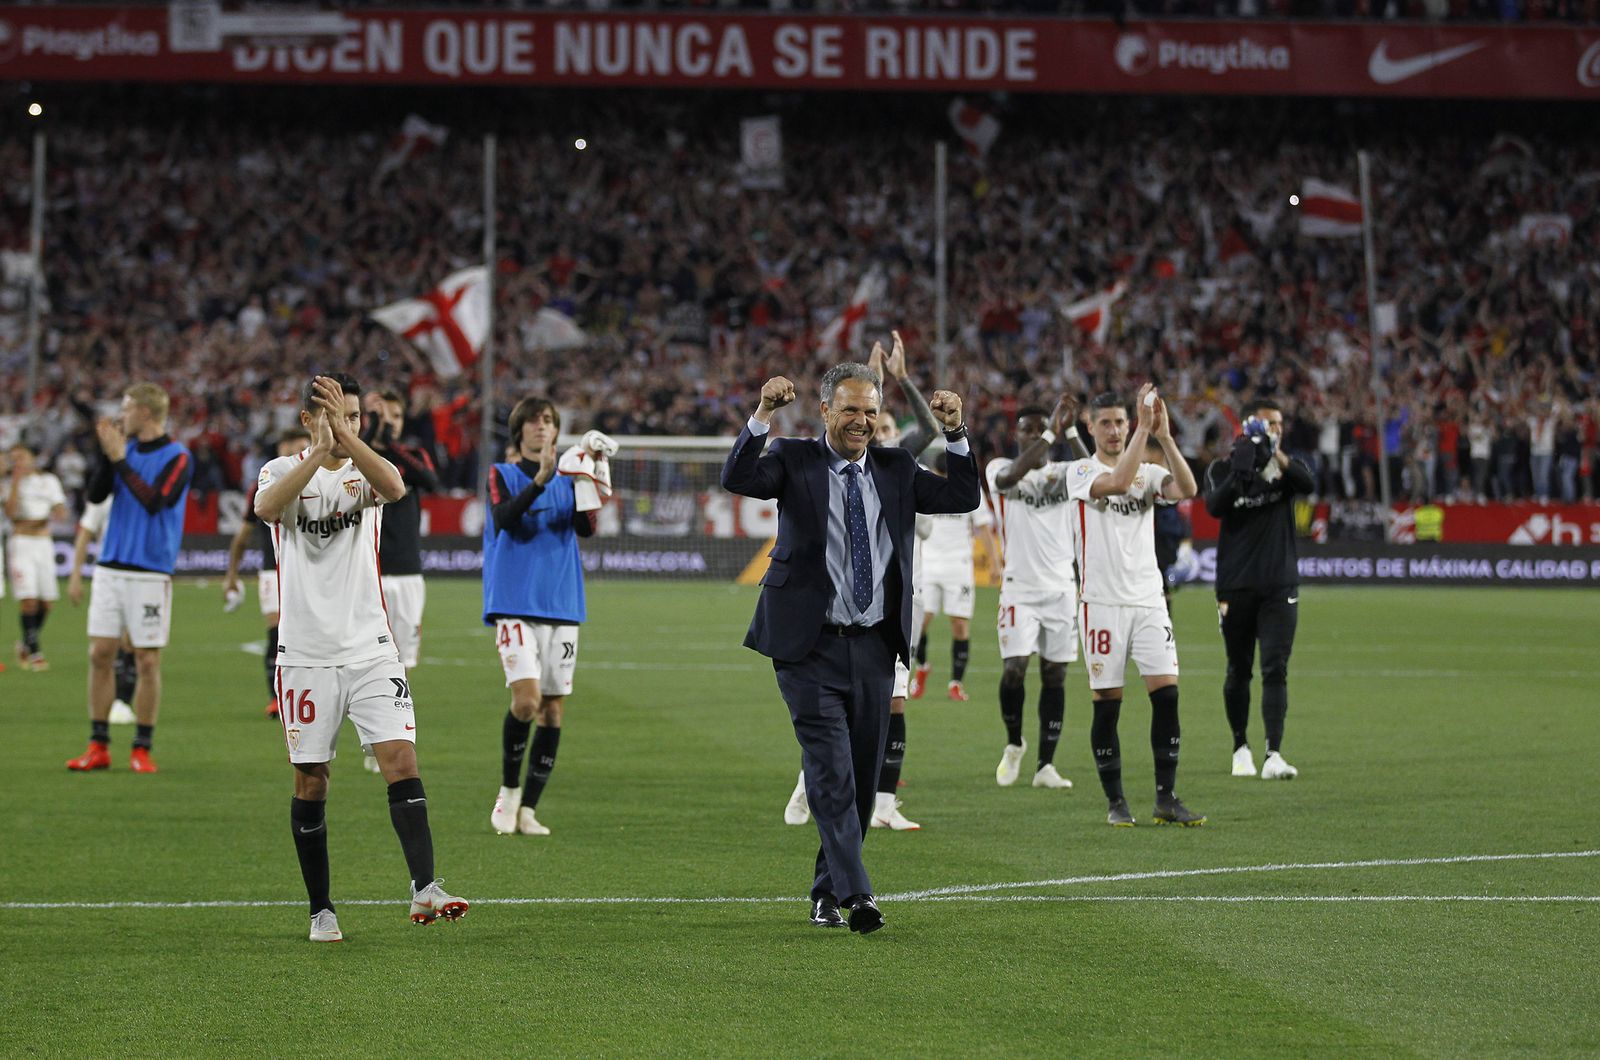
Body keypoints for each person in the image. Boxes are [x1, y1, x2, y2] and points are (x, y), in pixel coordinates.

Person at [722, 362, 978, 934]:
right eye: (850, 410)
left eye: (870, 411)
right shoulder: (793, 458)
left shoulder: (896, 466)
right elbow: (737, 478)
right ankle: (858, 894)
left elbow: (963, 496)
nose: (861, 422)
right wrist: (762, 413)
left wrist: (955, 432)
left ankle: (823, 895)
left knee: (860, 779)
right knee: (832, 770)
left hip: (874, 647)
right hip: (807, 646)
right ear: (826, 411)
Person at [255, 372, 467, 943]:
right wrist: (320, 452)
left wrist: (345, 444)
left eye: (353, 415)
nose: (346, 424)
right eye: (332, 414)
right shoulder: (281, 471)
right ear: (307, 419)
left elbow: (396, 489)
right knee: (312, 781)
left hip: (371, 647)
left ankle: (425, 888)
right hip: (305, 654)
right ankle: (321, 909)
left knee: (401, 757)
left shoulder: (366, 471)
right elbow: (268, 509)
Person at [783, 333, 938, 833]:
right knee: (840, 729)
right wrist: (868, 379)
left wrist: (901, 379)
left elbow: (930, 428)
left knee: (892, 705)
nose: (876, 428)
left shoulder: (896, 464)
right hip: (832, 612)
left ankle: (884, 801)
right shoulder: (831, 462)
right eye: (870, 418)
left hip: (885, 612)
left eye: (882, 420)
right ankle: (814, 783)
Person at [1066, 387, 1205, 827]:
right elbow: (1118, 483)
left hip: (1148, 600)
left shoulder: (1147, 469)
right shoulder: (1079, 471)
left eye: (1121, 422)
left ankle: (1166, 797)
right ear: (1090, 426)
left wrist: (1164, 437)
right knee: (1107, 702)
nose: (1114, 430)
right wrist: (1145, 430)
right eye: (1105, 423)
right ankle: (1115, 801)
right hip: (1101, 603)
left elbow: (1187, 488)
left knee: (1167, 695)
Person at [484, 397, 606, 838]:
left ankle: (530, 809)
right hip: (515, 602)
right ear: (519, 431)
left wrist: (591, 480)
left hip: (563, 603)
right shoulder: (502, 474)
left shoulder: (571, 478)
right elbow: (504, 518)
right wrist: (538, 481)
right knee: (527, 701)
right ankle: (508, 793)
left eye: (549, 420)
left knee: (553, 712)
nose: (542, 427)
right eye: (534, 421)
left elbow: (587, 527)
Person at [67, 384, 193, 774]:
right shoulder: (126, 448)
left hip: (151, 571)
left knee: (147, 662)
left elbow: (157, 501)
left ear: (146, 412)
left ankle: (142, 746)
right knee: (99, 654)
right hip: (110, 565)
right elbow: (96, 496)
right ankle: (98, 744)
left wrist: (121, 460)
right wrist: (109, 458)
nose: (120, 416)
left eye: (125, 408)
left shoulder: (179, 456)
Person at [1202, 398, 1315, 781]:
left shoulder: (1284, 470)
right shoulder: (1222, 468)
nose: (1276, 428)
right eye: (1269, 423)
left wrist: (1275, 456)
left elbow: (1308, 483)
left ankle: (1273, 754)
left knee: (1275, 668)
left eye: (1279, 423)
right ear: (1249, 424)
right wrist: (1241, 470)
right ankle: (1240, 748)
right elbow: (1214, 507)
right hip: (1235, 587)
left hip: (1279, 584)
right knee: (1238, 669)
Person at [985, 398, 1089, 792]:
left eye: (1040, 428)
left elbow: (1094, 470)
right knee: (1014, 669)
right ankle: (1014, 744)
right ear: (1018, 435)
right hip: (1019, 590)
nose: (1033, 435)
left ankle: (1046, 764)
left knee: (1055, 674)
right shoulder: (1001, 470)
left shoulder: (1066, 474)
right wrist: (1050, 433)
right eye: (1027, 430)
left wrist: (1073, 430)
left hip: (1062, 588)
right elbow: (1012, 476)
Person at [361, 389, 440, 773]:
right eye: (381, 413)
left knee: (402, 661)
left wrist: (390, 442)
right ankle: (369, 733)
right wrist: (370, 435)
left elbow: (430, 479)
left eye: (395, 413)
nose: (389, 419)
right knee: (362, 656)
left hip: (407, 572)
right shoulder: (358, 455)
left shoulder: (412, 455)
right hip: (366, 572)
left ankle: (391, 736)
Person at [224, 427, 312, 719]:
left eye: (303, 448)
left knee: (309, 634)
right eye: (293, 447)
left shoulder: (318, 480)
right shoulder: (262, 485)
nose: (297, 454)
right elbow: (243, 535)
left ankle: (311, 693)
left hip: (308, 569)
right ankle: (276, 698)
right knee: (277, 633)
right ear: (280, 448)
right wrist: (232, 574)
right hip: (272, 570)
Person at [909, 449, 1001, 704]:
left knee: (960, 626)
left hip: (959, 566)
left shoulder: (968, 488)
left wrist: (994, 563)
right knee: (921, 622)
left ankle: (956, 683)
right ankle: (923, 667)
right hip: (928, 564)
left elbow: (983, 527)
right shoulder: (927, 485)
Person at [68, 497, 139, 724]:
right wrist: (76, 575)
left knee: (133, 642)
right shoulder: (104, 496)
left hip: (144, 572)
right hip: (108, 573)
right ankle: (107, 714)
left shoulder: (146, 491)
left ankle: (123, 701)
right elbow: (86, 533)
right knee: (105, 646)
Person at [4, 443, 69, 671]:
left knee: (47, 602)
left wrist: (56, 510)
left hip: (43, 543)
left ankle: (24, 642)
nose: (18, 463)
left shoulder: (48, 481)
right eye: (14, 459)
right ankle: (35, 652)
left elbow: (61, 510)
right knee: (28, 599)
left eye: (21, 457)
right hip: (21, 543)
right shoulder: (8, 484)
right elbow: (11, 513)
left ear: (33, 458)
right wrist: (15, 482)